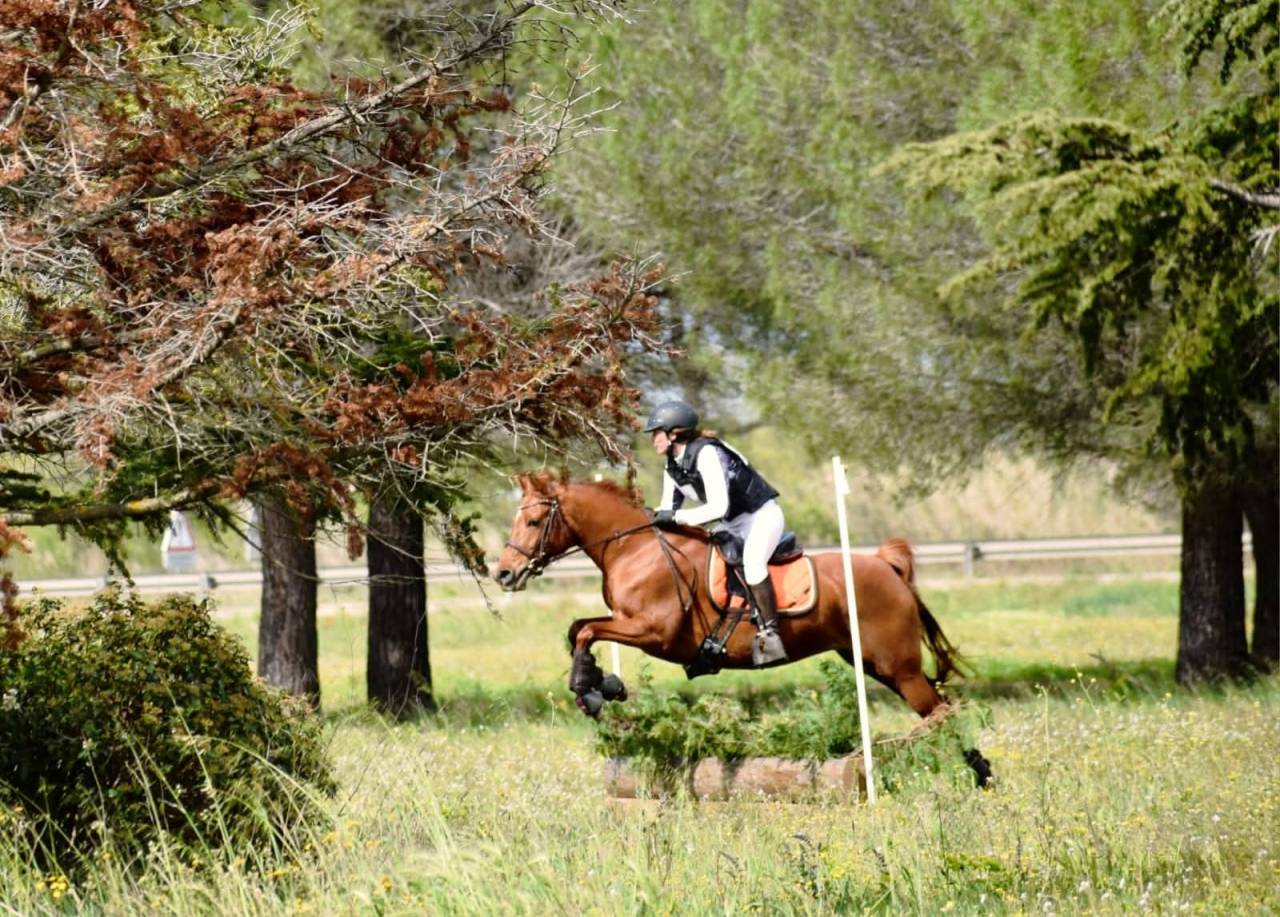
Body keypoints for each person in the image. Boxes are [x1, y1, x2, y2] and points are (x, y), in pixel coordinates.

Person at [643, 399, 788, 666]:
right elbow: (668, 508)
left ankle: (771, 635)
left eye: (656, 433)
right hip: (731, 523)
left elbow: (717, 507)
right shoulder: (671, 465)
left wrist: (675, 517)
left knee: (754, 564)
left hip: (761, 517)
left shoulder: (707, 453)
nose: (653, 439)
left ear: (674, 433)